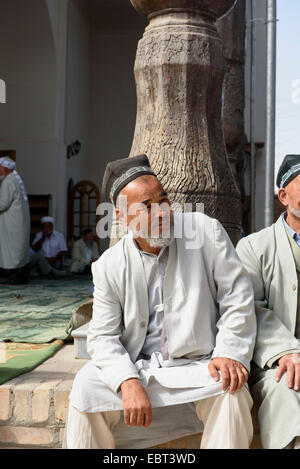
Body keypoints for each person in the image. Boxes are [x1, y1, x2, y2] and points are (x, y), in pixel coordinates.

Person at [63, 154, 256, 450]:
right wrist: (127, 380)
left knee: (231, 391)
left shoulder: (204, 231)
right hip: (139, 367)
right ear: (121, 216)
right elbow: (101, 336)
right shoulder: (109, 265)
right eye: (147, 206)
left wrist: (229, 351)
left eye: (163, 200)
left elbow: (237, 296)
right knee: (86, 388)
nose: (163, 212)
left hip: (201, 365)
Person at [236, 154, 300, 449]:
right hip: (277, 361)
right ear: (284, 196)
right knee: (284, 388)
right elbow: (250, 309)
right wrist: (287, 351)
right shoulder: (253, 247)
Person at [0, 156, 30, 284]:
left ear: (5, 168)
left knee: (12, 249)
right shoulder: (15, 179)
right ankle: (20, 275)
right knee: (17, 248)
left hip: (12, 222)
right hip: (16, 221)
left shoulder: (8, 181)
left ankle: (15, 277)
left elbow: (3, 204)